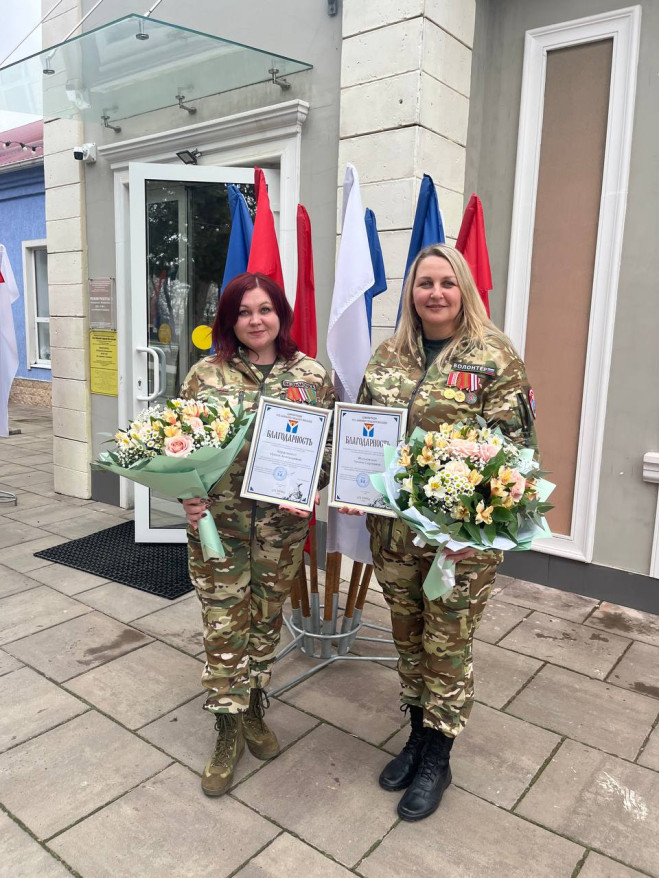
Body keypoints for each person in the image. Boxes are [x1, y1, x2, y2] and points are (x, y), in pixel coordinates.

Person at [347, 244, 537, 821]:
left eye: (446, 283)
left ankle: (439, 756)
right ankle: (416, 736)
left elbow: (518, 455)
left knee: (447, 645)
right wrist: (351, 486)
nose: (435, 293)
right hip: (394, 534)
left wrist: (474, 531)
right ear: (411, 291)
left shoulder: (494, 356)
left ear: (464, 290)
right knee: (407, 637)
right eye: (425, 282)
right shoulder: (388, 354)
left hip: (460, 541)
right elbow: (362, 428)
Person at [180, 271, 336, 797]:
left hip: (280, 530)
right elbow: (178, 442)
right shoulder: (205, 375)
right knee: (224, 626)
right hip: (218, 527)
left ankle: (251, 706)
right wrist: (186, 493)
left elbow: (329, 446)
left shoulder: (311, 376)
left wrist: (313, 484)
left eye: (264, 309)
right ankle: (226, 728)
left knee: (266, 622)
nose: (255, 320)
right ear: (230, 320)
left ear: (280, 314)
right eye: (244, 312)